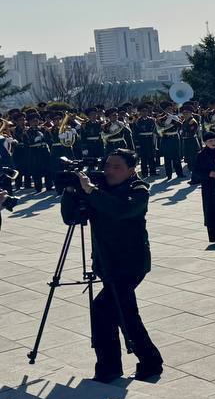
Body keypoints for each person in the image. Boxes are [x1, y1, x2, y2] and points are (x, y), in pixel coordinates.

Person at [63, 150, 164, 383]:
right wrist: (71, 191)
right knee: (124, 313)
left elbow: (121, 211)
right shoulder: (100, 188)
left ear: (132, 169)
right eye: (108, 165)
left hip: (130, 263)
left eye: (116, 167)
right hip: (106, 262)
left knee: (106, 309)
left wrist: (91, 191)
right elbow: (72, 218)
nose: (109, 170)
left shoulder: (138, 190)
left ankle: (114, 367)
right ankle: (145, 363)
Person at [133, 109, 158, 179]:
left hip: (150, 139)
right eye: (143, 111)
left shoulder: (151, 120)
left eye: (146, 111)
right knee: (143, 157)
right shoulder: (138, 121)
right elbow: (135, 132)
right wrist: (137, 143)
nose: (144, 113)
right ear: (140, 112)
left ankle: (153, 171)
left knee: (152, 156)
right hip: (142, 140)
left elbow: (155, 129)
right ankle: (144, 172)